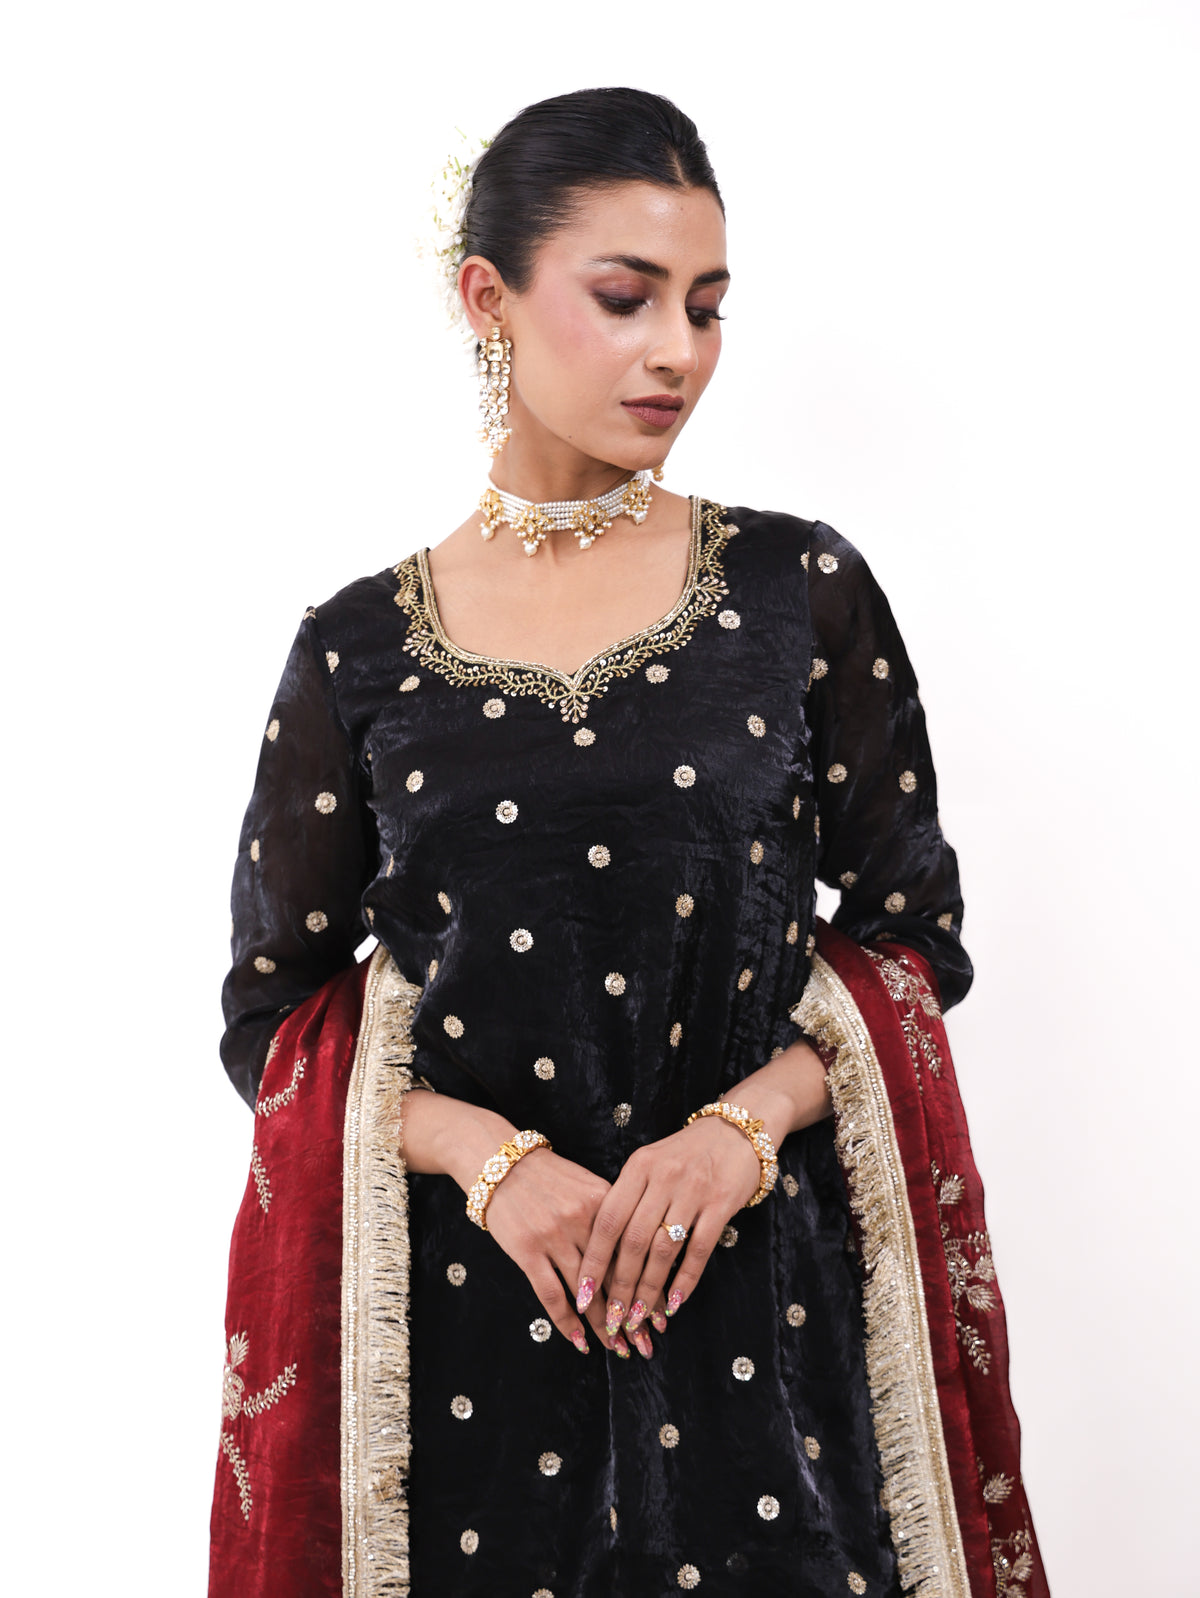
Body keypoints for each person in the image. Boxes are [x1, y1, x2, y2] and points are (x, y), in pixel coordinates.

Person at [209, 87, 1048, 1598]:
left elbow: (916, 940)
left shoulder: (797, 591)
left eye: (707, 307)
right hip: (467, 1350)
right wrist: (491, 1161)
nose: (679, 351)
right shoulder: (356, 651)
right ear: (488, 298)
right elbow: (276, 1024)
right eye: (626, 297)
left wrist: (742, 1132)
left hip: (766, 1321)